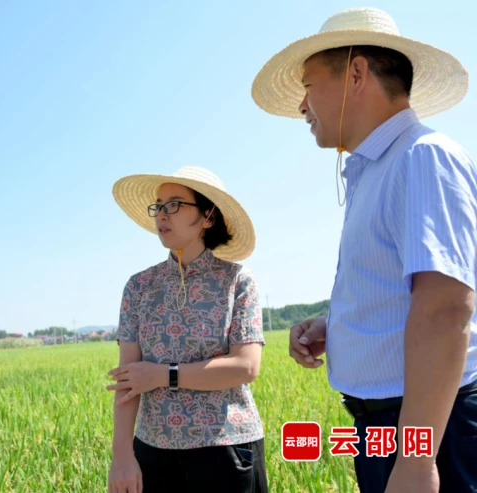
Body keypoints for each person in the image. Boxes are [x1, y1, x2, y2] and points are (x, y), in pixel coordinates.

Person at [252, 7, 477, 493]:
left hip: (430, 427)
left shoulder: (422, 156)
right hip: (392, 426)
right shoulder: (376, 170)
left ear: (356, 73)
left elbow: (444, 309)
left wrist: (417, 462)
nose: (302, 105)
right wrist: (335, 326)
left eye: (309, 85)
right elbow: (401, 293)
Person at [107, 166, 268, 493]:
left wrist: (163, 375)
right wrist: (121, 455)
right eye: (159, 205)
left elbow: (246, 366)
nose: (161, 215)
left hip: (225, 448)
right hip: (153, 451)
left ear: (208, 215)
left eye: (175, 204)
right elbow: (128, 379)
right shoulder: (139, 287)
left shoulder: (237, 280)